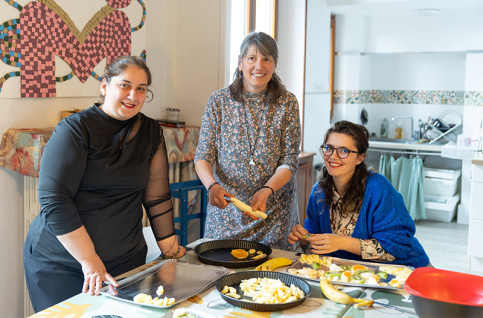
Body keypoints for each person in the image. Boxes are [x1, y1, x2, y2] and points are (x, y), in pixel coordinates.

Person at [23, 56, 186, 312]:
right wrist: (89, 259)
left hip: (126, 260)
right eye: (125, 85)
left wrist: (171, 250)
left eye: (141, 89)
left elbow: (156, 197)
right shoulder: (75, 129)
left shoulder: (151, 132)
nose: (133, 95)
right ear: (104, 86)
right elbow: (54, 198)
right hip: (63, 263)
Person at [194, 31, 301, 250]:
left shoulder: (287, 102)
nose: (259, 66)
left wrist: (266, 191)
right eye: (252, 58)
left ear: (274, 64)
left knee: (271, 279)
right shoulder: (218, 101)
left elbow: (289, 162)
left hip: (272, 213)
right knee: (220, 272)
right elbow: (203, 156)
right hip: (227, 212)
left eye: (267, 59)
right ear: (240, 63)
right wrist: (211, 185)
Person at [288, 120, 430, 268]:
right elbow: (317, 249)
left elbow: (397, 247)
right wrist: (304, 239)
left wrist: (341, 242)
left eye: (344, 151)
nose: (333, 156)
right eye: (329, 148)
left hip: (404, 270)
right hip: (351, 272)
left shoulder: (378, 188)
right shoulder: (319, 192)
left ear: (360, 158)